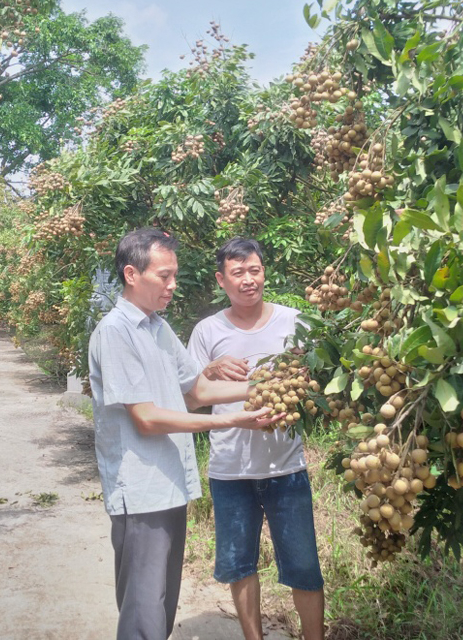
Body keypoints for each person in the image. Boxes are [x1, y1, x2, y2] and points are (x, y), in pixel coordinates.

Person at [88, 228, 279, 640]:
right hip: (140, 491)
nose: (173, 285)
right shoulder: (116, 332)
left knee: (161, 606)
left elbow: (198, 391)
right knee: (143, 611)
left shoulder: (156, 327)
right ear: (131, 274)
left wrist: (264, 387)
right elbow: (147, 418)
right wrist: (230, 421)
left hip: (168, 485)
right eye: (164, 276)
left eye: (175, 275)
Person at [187, 237, 325, 640]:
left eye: (255, 270)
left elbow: (320, 380)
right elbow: (189, 398)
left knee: (304, 566)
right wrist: (210, 370)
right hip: (230, 471)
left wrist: (304, 380)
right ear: (221, 279)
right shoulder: (207, 331)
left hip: (287, 466)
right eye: (238, 273)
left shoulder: (294, 321)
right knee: (240, 565)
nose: (249, 280)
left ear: (264, 271)